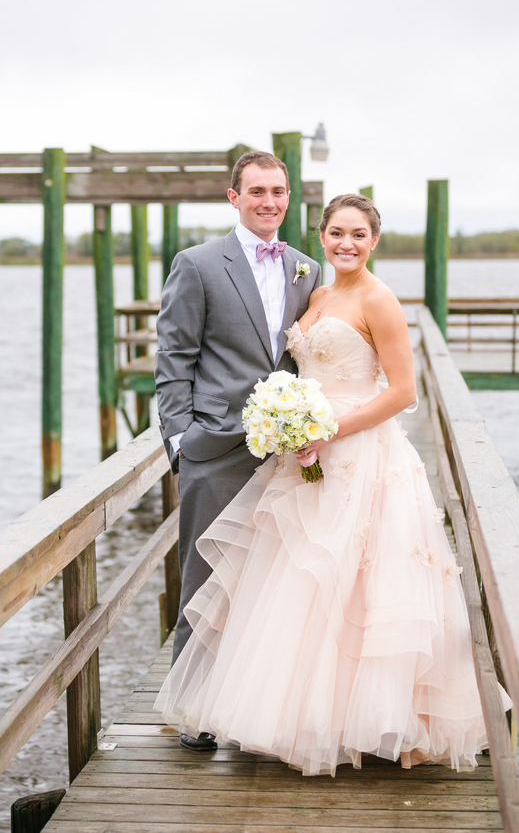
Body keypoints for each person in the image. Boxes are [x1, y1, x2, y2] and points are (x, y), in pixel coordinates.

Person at [155, 193, 510, 774]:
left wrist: (327, 428)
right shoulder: (316, 292)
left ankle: (374, 719)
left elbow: (402, 392)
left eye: (359, 235)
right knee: (300, 581)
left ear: (375, 241)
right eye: (337, 233)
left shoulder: (380, 300)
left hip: (359, 452)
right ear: (321, 237)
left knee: (361, 583)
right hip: (305, 455)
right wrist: (290, 419)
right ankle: (300, 717)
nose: (347, 243)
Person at [155, 151, 322, 751]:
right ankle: (191, 711)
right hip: (215, 448)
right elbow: (174, 357)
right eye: (256, 192)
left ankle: (257, 711)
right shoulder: (197, 265)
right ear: (234, 197)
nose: (269, 202)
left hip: (285, 454)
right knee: (203, 582)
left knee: (274, 584)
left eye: (277, 191)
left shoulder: (307, 268)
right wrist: (179, 439)